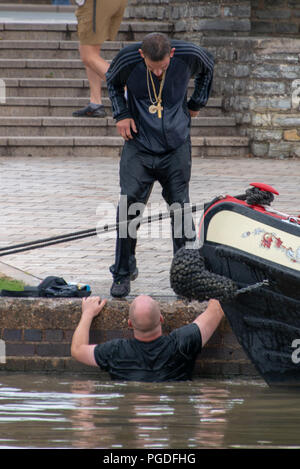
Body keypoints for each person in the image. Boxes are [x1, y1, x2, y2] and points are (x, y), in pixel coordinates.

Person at [106, 32, 214, 298]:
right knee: (129, 204)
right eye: (152, 67)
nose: (157, 72)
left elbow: (209, 67)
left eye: (163, 67)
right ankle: (122, 271)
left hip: (175, 145)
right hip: (139, 144)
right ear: (142, 56)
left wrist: (197, 102)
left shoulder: (189, 54)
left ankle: (185, 275)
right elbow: (111, 80)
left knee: (180, 206)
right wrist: (121, 114)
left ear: (171, 55)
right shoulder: (129, 58)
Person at [71, 295, 224, 382]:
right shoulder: (182, 343)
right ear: (162, 318)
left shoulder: (115, 352)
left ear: (130, 324)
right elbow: (217, 309)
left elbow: (78, 350)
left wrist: (87, 314)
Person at [72, 0, 128, 117]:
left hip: (95, 4)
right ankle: (95, 103)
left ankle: (129, 89)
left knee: (88, 55)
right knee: (90, 51)